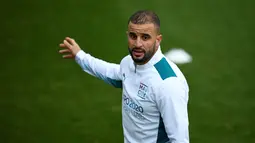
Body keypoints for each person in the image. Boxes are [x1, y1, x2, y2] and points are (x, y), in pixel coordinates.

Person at [59, 10, 189, 143]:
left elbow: (179, 140)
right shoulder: (128, 63)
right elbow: (110, 72)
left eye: (145, 37)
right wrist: (80, 56)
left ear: (158, 40)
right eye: (133, 36)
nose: (138, 44)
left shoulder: (168, 83)